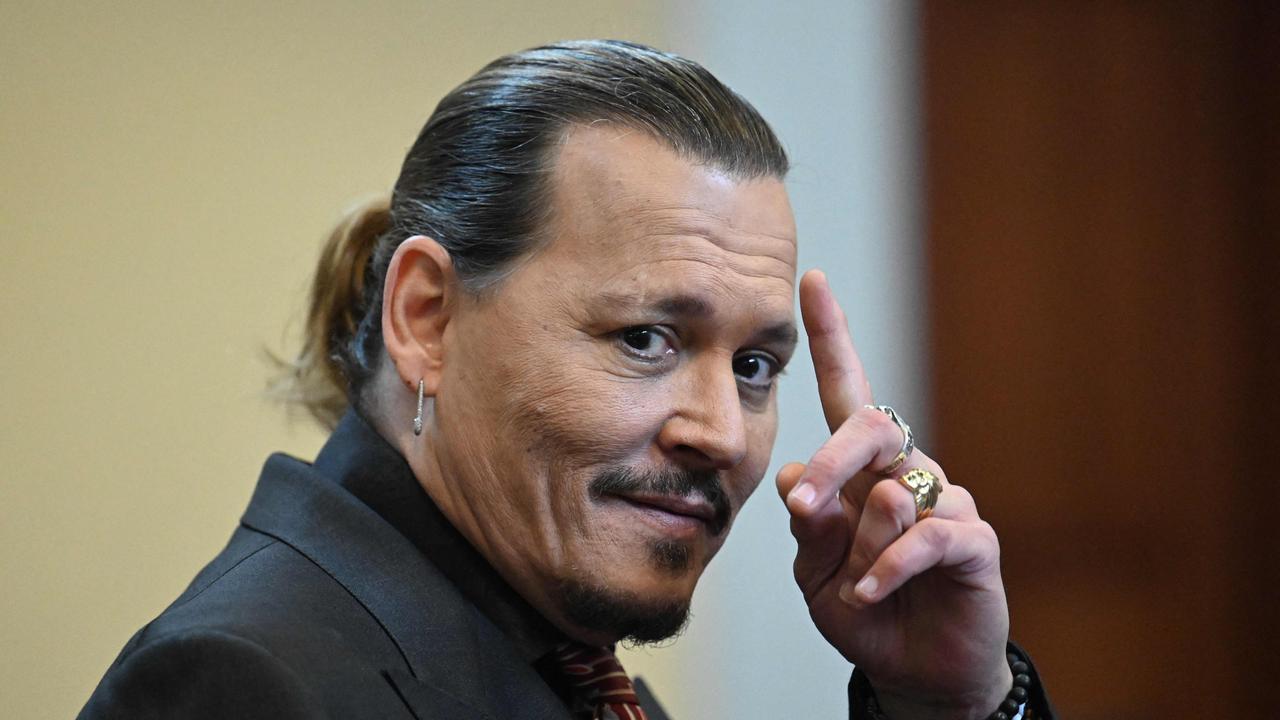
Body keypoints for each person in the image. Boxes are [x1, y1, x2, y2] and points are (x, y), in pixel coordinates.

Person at [80, 40, 1053, 719]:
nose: (718, 431)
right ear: (427, 317)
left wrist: (948, 706)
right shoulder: (241, 686)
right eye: (644, 338)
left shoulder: (550, 648)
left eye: (755, 365)